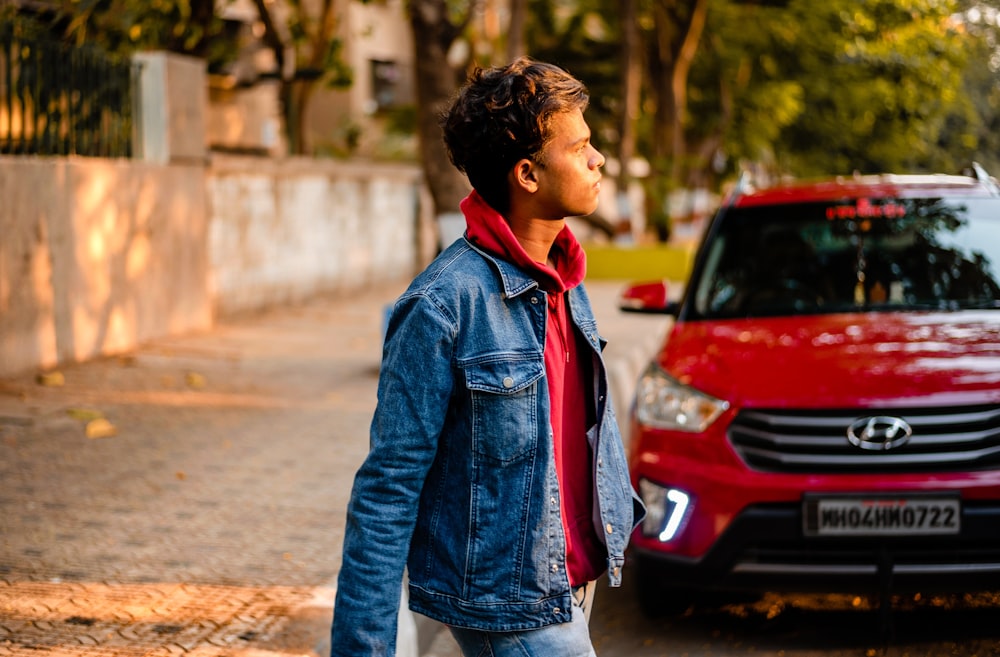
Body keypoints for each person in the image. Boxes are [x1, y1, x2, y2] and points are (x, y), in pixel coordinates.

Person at [329, 57, 644, 657]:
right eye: (580, 147)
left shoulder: (564, 277)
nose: (598, 158)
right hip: (513, 602)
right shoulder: (442, 305)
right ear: (527, 173)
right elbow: (387, 487)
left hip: (569, 581)